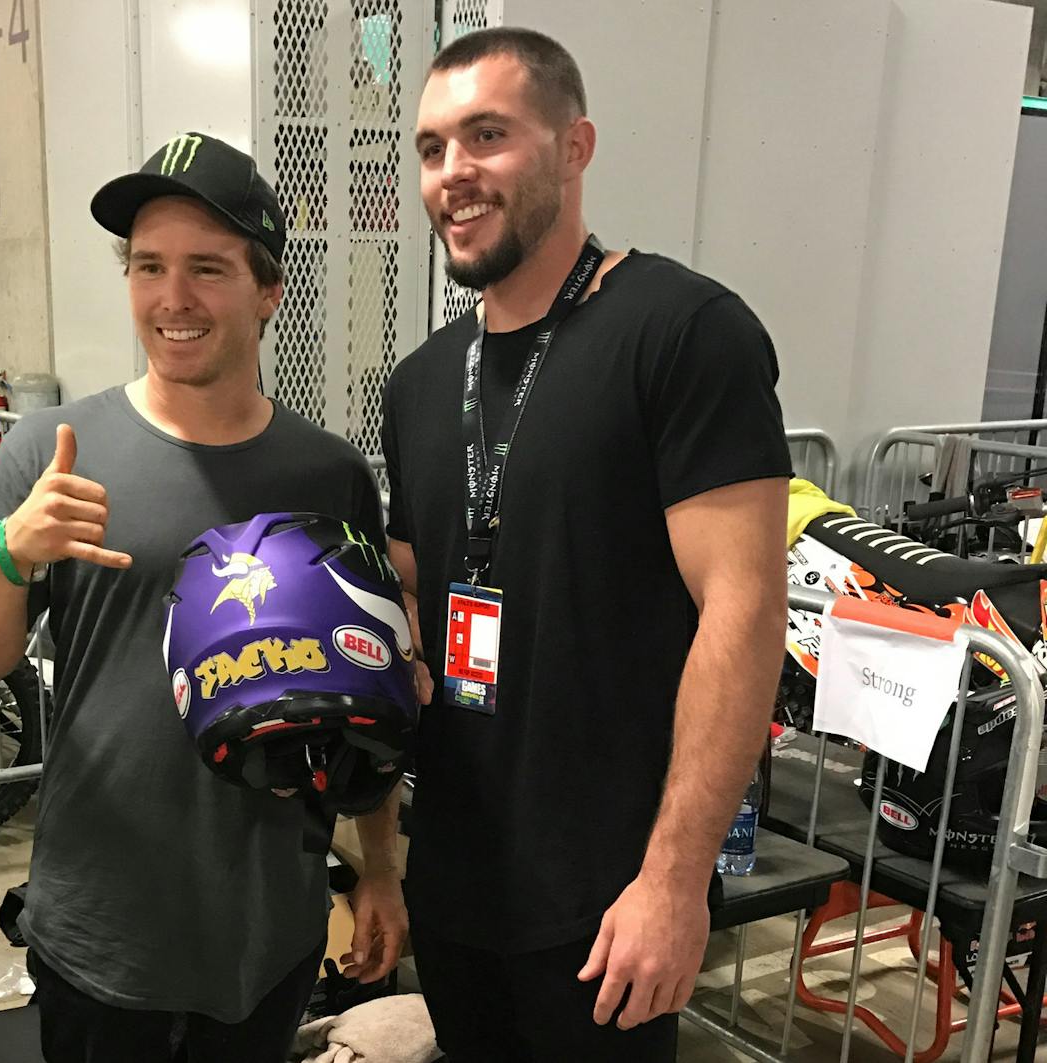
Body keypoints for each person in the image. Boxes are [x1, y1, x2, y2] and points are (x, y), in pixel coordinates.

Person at [0, 132, 408, 1063]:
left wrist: (381, 872)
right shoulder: (53, 448)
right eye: (148, 266)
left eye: (207, 268)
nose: (172, 298)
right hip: (105, 928)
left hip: (270, 926)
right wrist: (11, 552)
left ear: (267, 290)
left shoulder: (330, 472)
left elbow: (369, 692)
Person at [382, 28, 792, 1060]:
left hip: (604, 902)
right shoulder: (422, 383)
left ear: (574, 147)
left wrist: (673, 881)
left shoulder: (683, 332)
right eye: (432, 148)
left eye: (487, 136)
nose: (453, 174)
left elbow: (740, 616)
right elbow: (410, 600)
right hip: (456, 884)